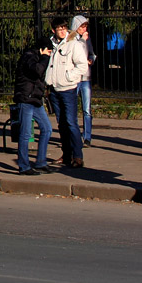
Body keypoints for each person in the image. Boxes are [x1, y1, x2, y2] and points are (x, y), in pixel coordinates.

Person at [44, 16, 89, 168]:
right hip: (54, 89)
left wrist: (70, 77)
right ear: (54, 30)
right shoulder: (52, 44)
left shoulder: (73, 44)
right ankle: (66, 154)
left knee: (71, 123)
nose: (62, 32)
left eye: (64, 29)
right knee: (61, 124)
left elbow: (82, 66)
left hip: (68, 89)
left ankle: (78, 156)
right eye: (59, 29)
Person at [12, 37, 53, 175]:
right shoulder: (29, 57)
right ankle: (24, 166)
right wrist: (45, 58)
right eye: (48, 51)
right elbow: (38, 71)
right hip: (26, 98)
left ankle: (41, 161)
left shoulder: (36, 57)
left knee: (47, 128)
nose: (49, 54)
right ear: (41, 49)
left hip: (35, 99)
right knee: (25, 133)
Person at [73, 15, 96, 147]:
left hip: (86, 77)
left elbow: (91, 53)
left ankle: (87, 136)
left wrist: (91, 60)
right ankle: (74, 136)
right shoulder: (73, 39)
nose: (84, 29)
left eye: (85, 26)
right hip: (75, 78)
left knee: (87, 109)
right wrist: (82, 40)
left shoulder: (87, 39)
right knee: (73, 108)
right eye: (82, 26)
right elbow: (76, 54)